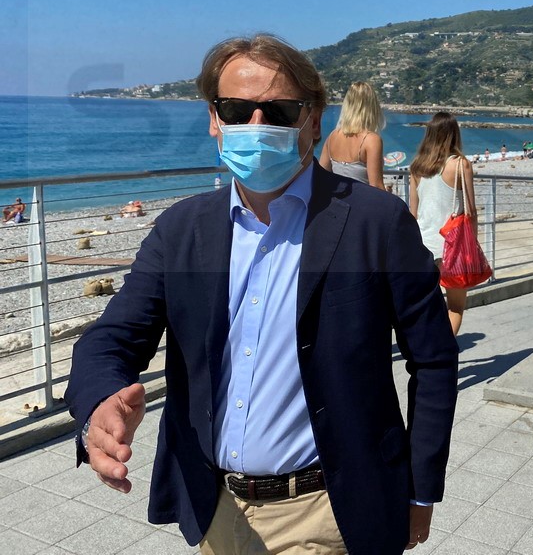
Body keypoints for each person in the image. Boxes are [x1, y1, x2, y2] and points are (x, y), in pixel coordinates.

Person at [66, 33, 458, 555]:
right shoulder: (181, 230)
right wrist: (99, 403)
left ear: (312, 122)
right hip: (214, 510)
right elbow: (110, 339)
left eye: (278, 110)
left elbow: (433, 359)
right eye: (236, 109)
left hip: (328, 512)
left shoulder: (378, 223)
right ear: (214, 119)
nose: (256, 124)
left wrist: (420, 488)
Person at [408, 111, 479, 336]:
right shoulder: (460, 164)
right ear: (454, 134)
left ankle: (425, 349)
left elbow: (413, 213)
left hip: (423, 245)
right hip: (452, 247)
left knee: (426, 306)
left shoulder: (417, 167)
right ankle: (443, 351)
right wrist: (473, 243)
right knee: (455, 307)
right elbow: (471, 211)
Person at [318, 81, 386, 189]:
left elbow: (321, 176)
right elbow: (376, 186)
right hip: (363, 199)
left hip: (337, 198)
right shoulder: (371, 140)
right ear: (372, 107)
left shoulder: (333, 136)